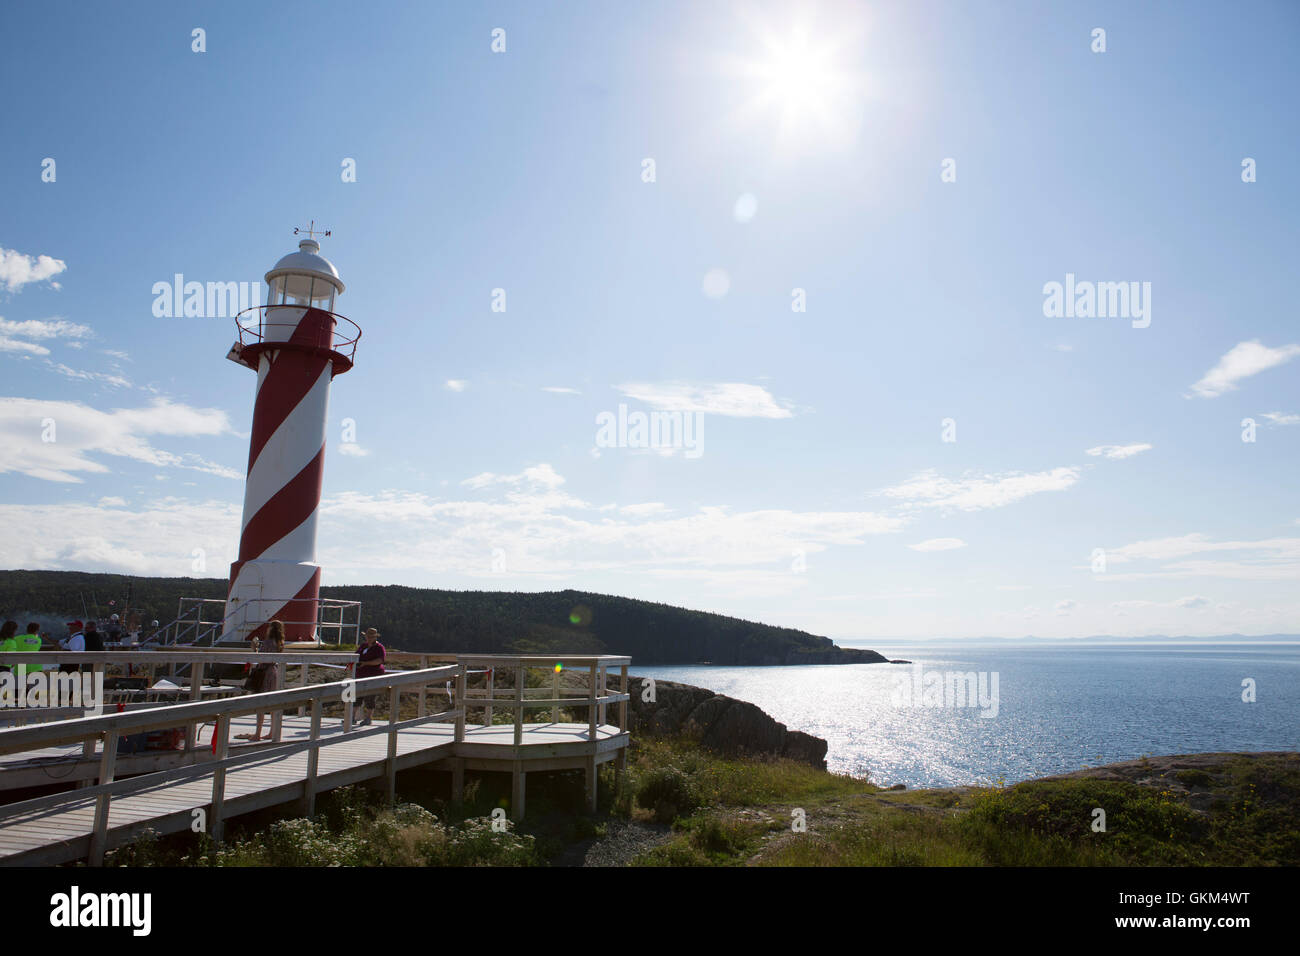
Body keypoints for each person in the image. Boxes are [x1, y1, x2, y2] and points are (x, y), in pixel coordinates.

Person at [238, 620, 285, 741]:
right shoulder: (279, 642)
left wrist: (255, 649)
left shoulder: (268, 642)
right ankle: (271, 732)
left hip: (265, 673)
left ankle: (257, 733)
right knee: (273, 703)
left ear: (271, 629)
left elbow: (261, 659)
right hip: (274, 672)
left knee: (261, 703)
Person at [355, 627, 386, 727]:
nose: (369, 638)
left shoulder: (379, 647)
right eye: (367, 636)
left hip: (373, 675)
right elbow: (356, 656)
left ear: (375, 637)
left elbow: (379, 660)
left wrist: (366, 663)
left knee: (370, 697)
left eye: (371, 637)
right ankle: (352, 717)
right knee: (356, 696)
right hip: (360, 675)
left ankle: (368, 718)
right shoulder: (363, 646)